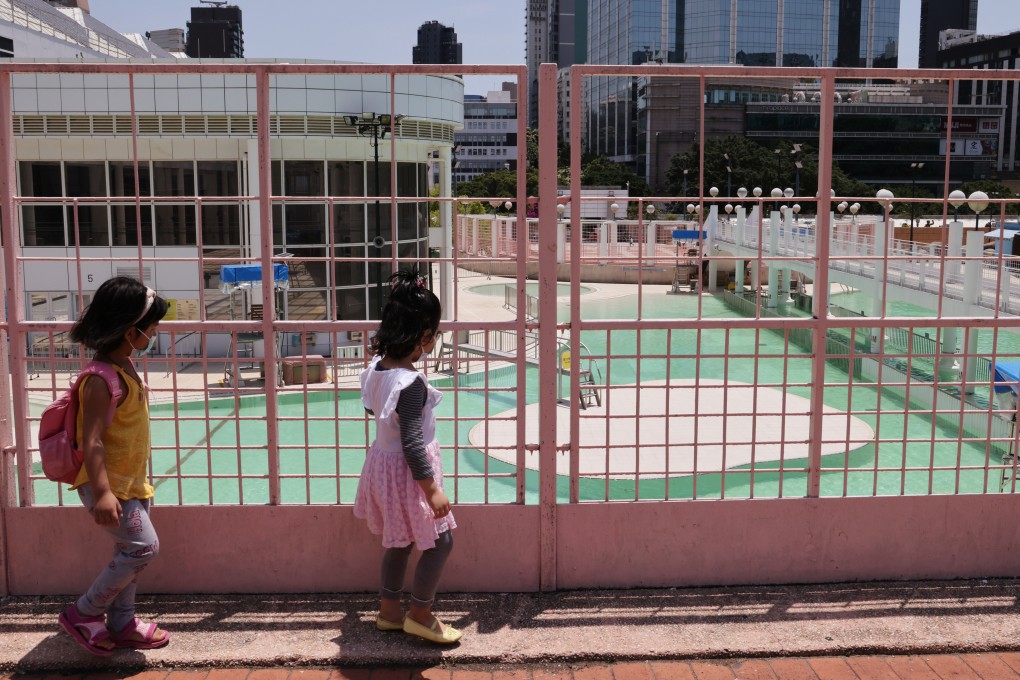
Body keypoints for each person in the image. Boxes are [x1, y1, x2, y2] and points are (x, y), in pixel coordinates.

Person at [58, 276, 170, 656]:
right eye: (151, 328)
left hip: (131, 483)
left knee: (130, 552)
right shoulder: (99, 380)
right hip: (107, 485)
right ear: (130, 331)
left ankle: (122, 622)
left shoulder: (124, 367)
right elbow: (91, 440)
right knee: (143, 549)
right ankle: (83, 613)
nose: (154, 333)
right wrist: (103, 492)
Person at [354, 267, 461, 644]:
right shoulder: (412, 383)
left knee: (399, 541)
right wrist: (431, 490)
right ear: (425, 337)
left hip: (382, 466)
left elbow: (374, 411)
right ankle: (419, 612)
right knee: (440, 541)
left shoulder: (375, 371)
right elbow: (414, 443)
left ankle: (388, 611)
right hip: (409, 473)